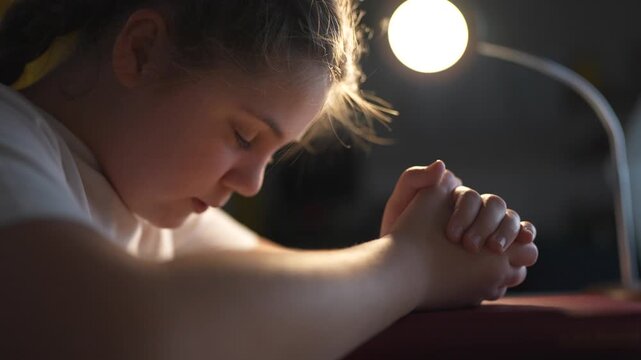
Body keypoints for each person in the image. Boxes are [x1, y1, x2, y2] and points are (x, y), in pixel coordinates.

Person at [0, 1, 538, 359]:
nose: (253, 183)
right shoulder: (12, 140)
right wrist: (411, 266)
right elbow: (126, 334)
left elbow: (293, 295)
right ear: (141, 51)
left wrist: (429, 249)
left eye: (272, 154)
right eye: (242, 135)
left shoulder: (146, 211)